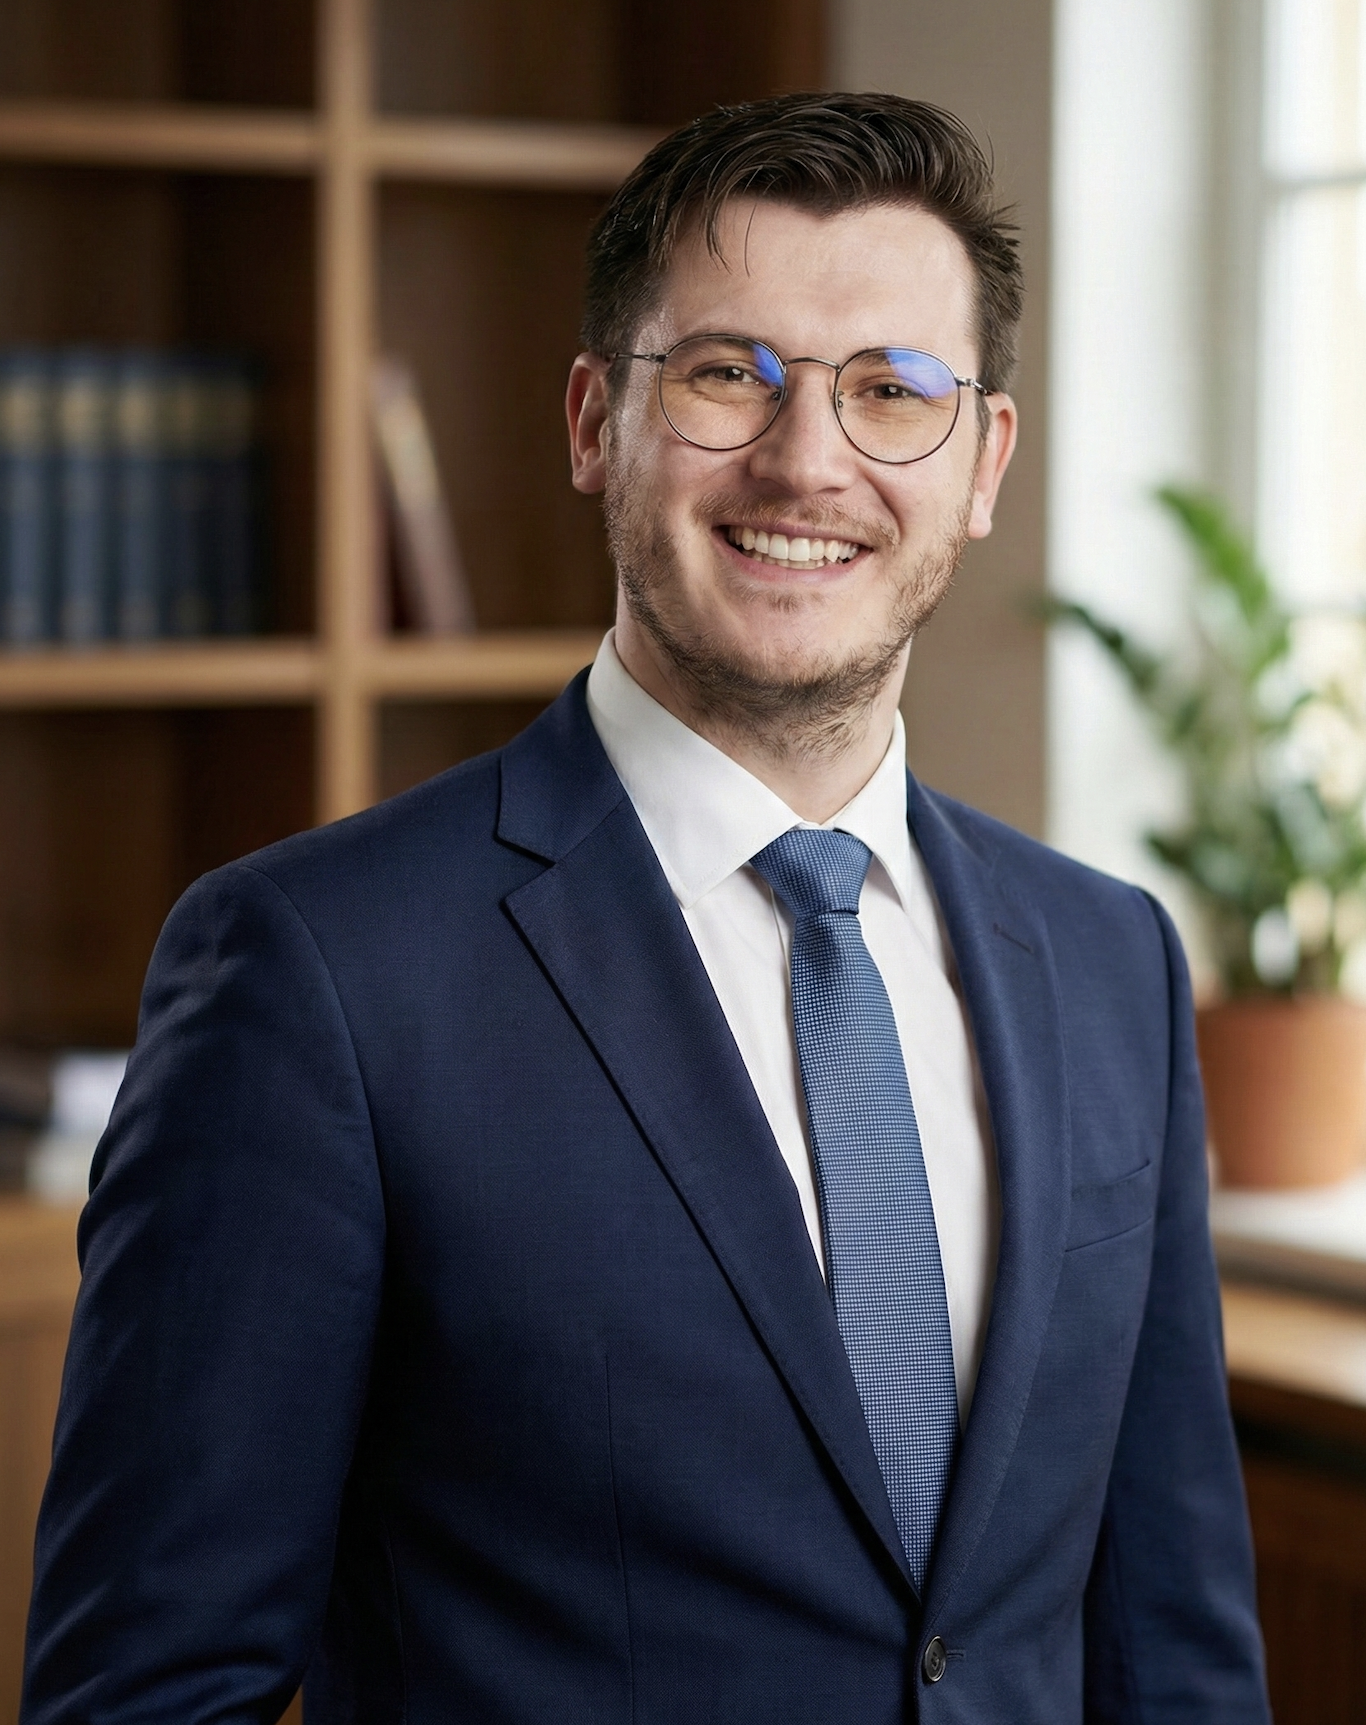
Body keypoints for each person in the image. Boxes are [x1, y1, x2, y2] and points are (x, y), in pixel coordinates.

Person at [22, 93, 1270, 1724]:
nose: (806, 458)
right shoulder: (317, 973)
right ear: (594, 422)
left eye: (891, 391)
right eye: (722, 373)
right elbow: (146, 1689)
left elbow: (1173, 1650)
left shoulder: (1108, 960)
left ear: (982, 463)